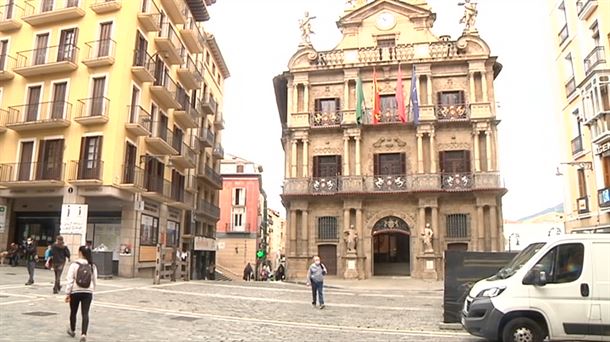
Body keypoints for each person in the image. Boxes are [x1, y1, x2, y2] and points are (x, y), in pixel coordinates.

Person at [65, 246, 98, 342]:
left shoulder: (74, 265)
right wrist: (92, 289)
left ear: (80, 253)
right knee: (85, 313)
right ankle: (83, 334)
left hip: (75, 291)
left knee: (73, 312)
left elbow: (70, 280)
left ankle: (72, 330)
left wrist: (68, 293)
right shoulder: (92, 265)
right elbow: (95, 280)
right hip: (88, 292)